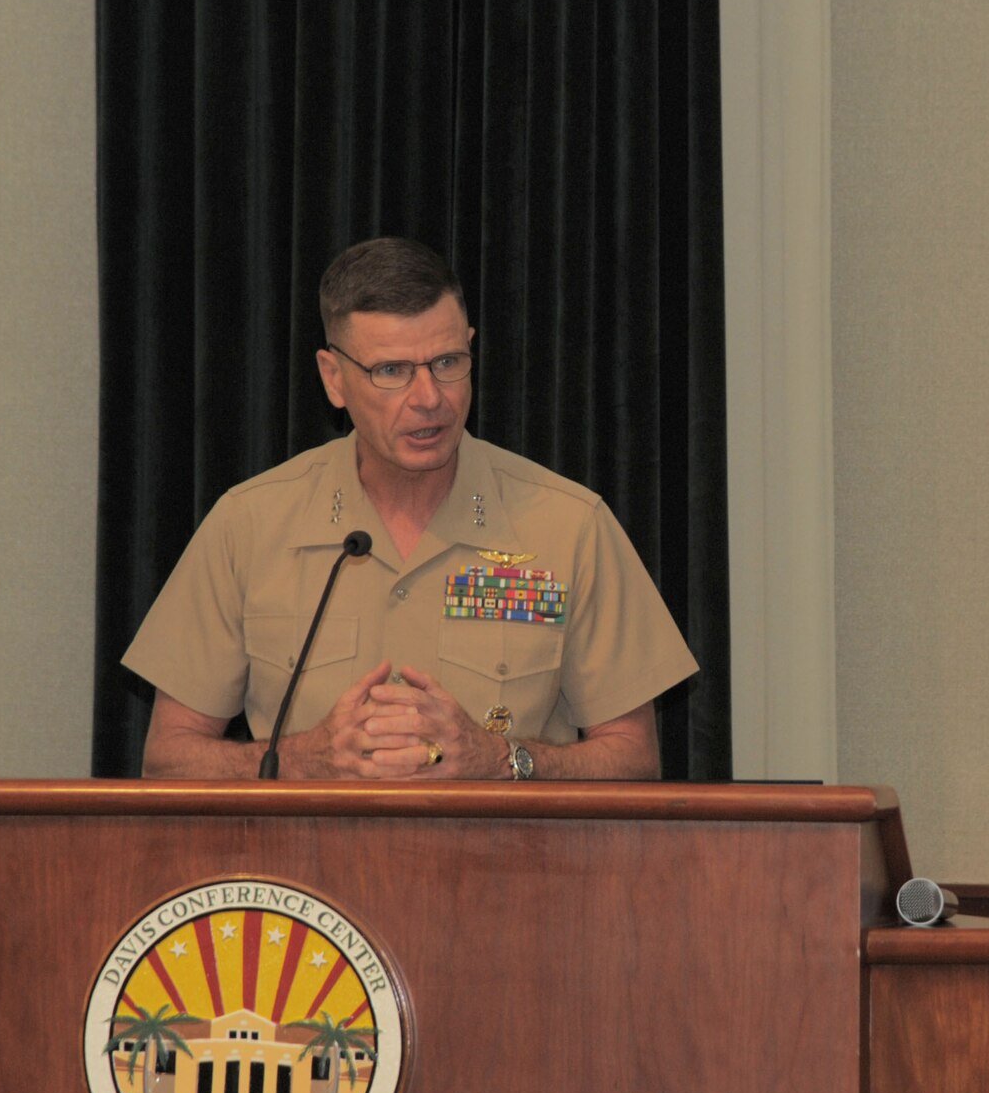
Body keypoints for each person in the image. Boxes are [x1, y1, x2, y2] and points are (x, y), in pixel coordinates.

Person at [123, 237, 698, 780]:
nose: (429, 398)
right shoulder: (248, 524)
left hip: (510, 874)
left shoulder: (569, 525)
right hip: (302, 878)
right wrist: (303, 760)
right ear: (333, 379)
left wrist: (501, 760)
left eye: (448, 362)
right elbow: (169, 757)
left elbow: (634, 758)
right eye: (391, 371)